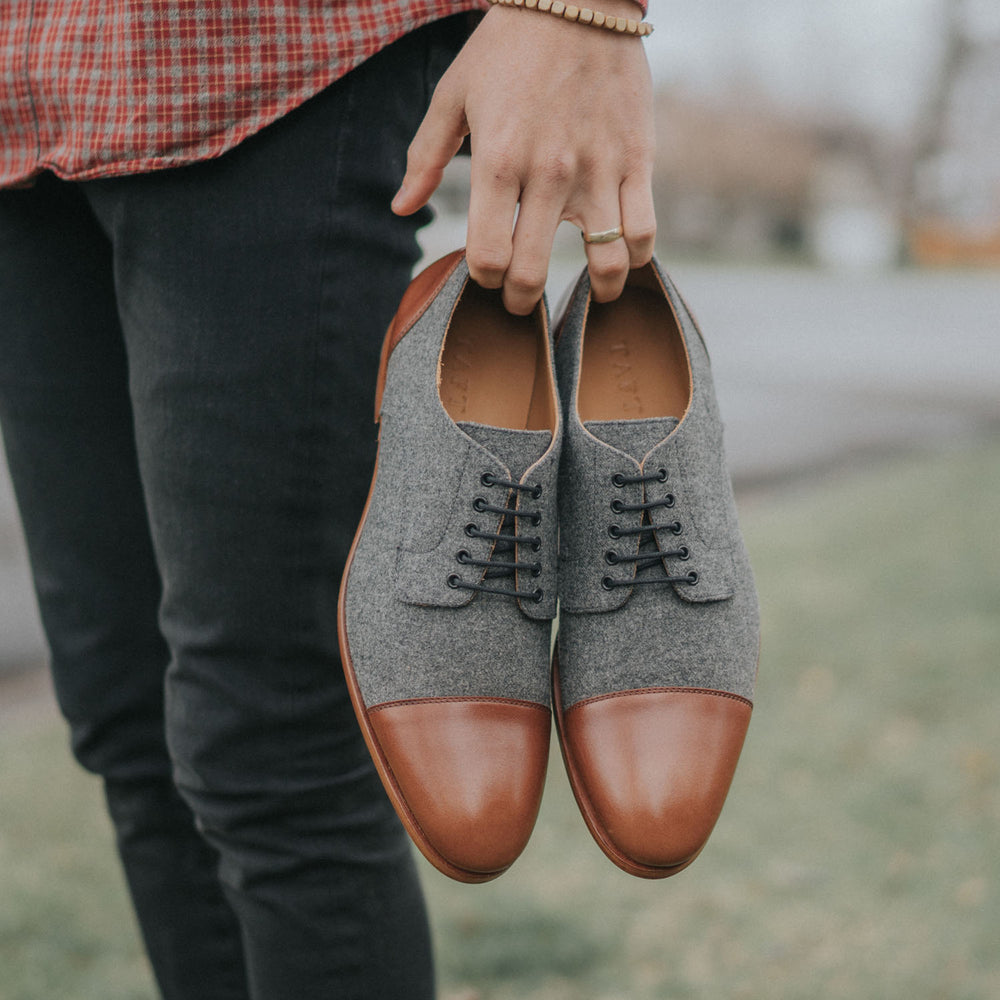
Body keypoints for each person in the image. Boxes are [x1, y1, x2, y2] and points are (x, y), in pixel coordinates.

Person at [0, 1, 655, 996]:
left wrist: (587, 11)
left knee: (270, 734)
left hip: (270, 57)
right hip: (23, 98)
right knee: (127, 723)